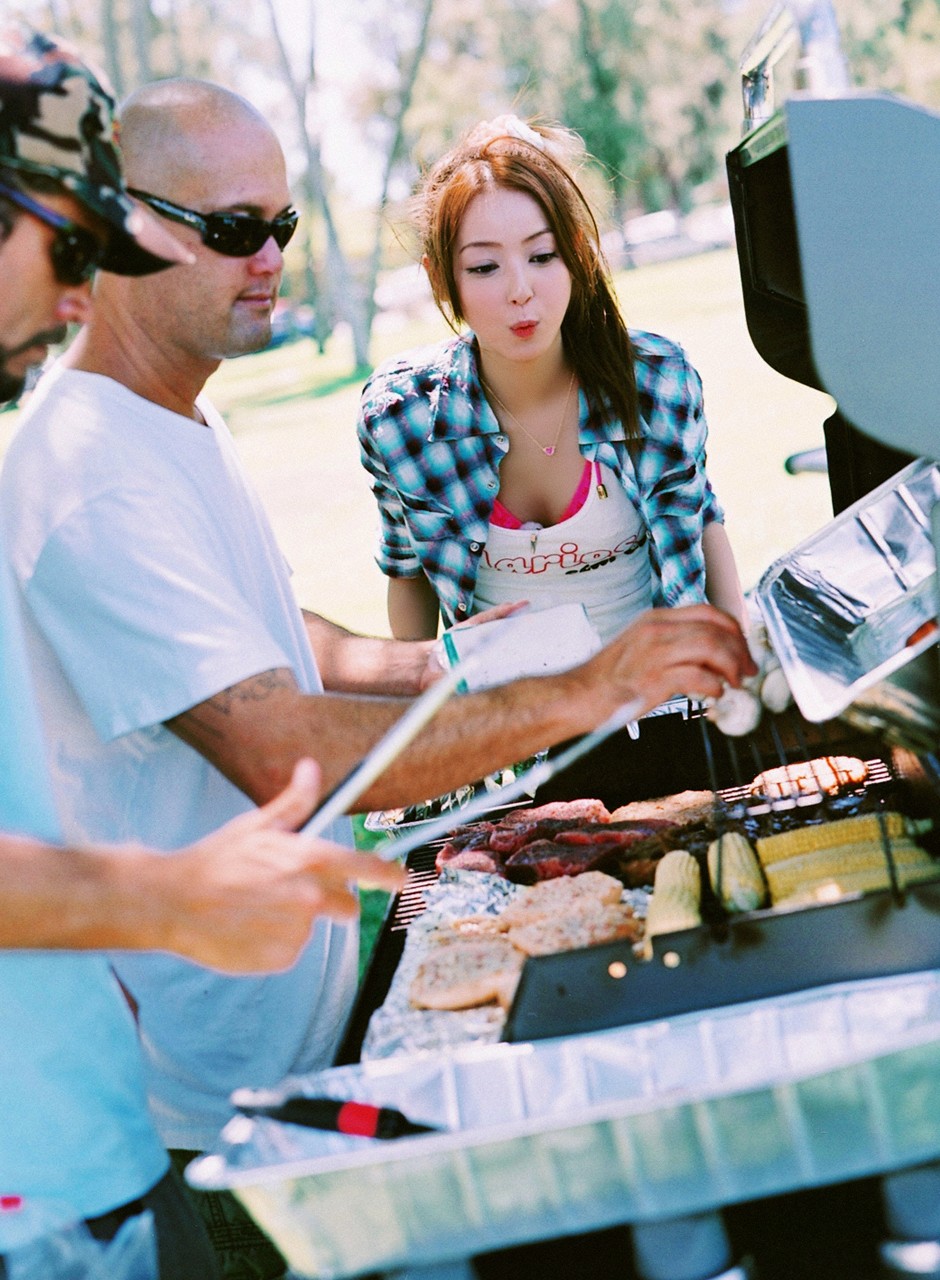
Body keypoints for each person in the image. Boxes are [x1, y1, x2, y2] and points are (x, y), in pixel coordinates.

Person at [0, 75, 754, 1278]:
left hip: (306, 1000)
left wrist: (448, 658)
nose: (270, 260)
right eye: (233, 229)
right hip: (220, 1091)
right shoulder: (91, 469)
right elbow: (279, 745)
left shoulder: (172, 416)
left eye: (282, 225)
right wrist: (586, 687)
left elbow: (260, 633)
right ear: (121, 228)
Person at [0, 29, 404, 1280]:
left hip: (99, 1146)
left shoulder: (148, 424)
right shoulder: (75, 465)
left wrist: (448, 667)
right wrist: (166, 895)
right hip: (68, 1180)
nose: (83, 294)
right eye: (67, 245)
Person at [357, 113, 747, 647]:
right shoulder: (402, 416)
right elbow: (408, 573)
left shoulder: (656, 381)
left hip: (662, 688)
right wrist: (424, 688)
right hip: (507, 698)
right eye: (484, 267)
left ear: (577, 254)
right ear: (441, 279)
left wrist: (737, 664)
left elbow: (701, 522)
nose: (520, 289)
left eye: (542, 256)